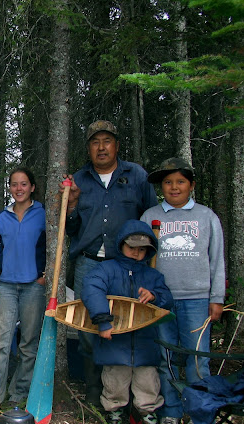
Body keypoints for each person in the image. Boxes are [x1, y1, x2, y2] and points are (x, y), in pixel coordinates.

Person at [62, 120, 157, 406]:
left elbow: (151, 218)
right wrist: (73, 203)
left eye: (107, 141)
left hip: (129, 265)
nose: (101, 147)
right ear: (88, 148)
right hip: (89, 264)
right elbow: (70, 227)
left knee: (129, 325)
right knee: (90, 327)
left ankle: (130, 395)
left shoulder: (137, 176)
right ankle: (95, 389)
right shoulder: (80, 179)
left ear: (116, 145)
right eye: (95, 142)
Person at [140, 157, 226, 424]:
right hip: (160, 300)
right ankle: (172, 413)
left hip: (197, 299)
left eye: (180, 182)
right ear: (160, 187)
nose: (174, 187)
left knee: (197, 359)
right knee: (165, 358)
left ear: (191, 185)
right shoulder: (150, 217)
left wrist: (217, 298)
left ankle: (201, 415)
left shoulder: (206, 216)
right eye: (168, 182)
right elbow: (140, 259)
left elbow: (216, 259)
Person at [81, 220, 174, 424]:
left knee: (148, 385)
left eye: (142, 249)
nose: (136, 252)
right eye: (132, 247)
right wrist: (103, 321)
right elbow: (91, 289)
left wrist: (154, 297)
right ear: (120, 245)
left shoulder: (153, 276)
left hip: (145, 344)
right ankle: (113, 420)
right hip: (115, 344)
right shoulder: (106, 270)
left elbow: (168, 299)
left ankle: (149, 421)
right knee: (114, 384)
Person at [0, 167, 47, 405]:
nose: (19, 189)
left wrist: (46, 274)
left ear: (32, 187)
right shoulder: (2, 217)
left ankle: (18, 393)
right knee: (1, 342)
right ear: (10, 188)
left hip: (34, 286)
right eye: (14, 184)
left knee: (28, 343)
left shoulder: (43, 213)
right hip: (6, 286)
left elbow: (52, 245)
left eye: (24, 184)